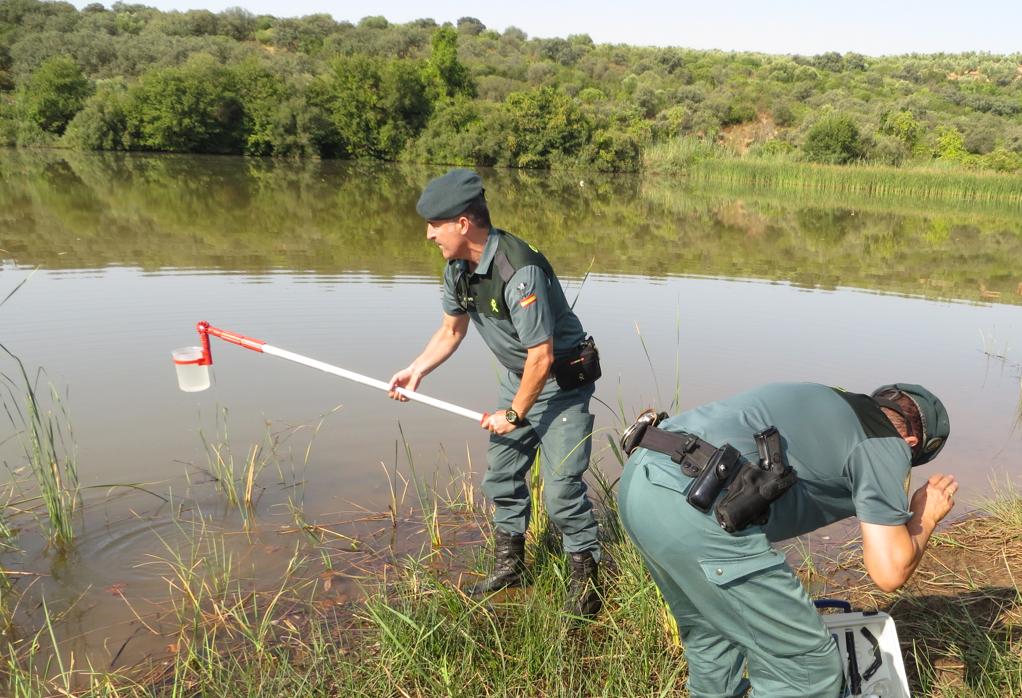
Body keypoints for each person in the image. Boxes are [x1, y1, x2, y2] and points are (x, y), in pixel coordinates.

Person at [617, 382, 955, 697]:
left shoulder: (833, 403)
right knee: (806, 664)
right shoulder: (886, 441)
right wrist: (926, 514)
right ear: (911, 444)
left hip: (641, 478)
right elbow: (888, 572)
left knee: (712, 638)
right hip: (695, 501)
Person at [389, 169, 604, 616]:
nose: (429, 234)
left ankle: (586, 579)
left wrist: (514, 414)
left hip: (560, 383)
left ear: (463, 223)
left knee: (562, 492)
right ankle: (512, 566)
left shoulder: (516, 268)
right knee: (502, 476)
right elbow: (451, 330)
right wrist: (416, 369)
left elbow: (542, 358)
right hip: (519, 377)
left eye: (435, 224)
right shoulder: (458, 269)